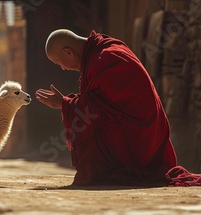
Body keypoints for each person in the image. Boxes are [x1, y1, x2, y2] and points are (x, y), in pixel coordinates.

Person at [35, 29, 177, 186]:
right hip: (150, 131)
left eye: (59, 63)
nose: (62, 68)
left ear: (68, 52)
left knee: (89, 124)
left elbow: (96, 110)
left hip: (144, 138)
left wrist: (64, 104)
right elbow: (101, 103)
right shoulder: (102, 52)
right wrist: (67, 103)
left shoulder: (104, 59)